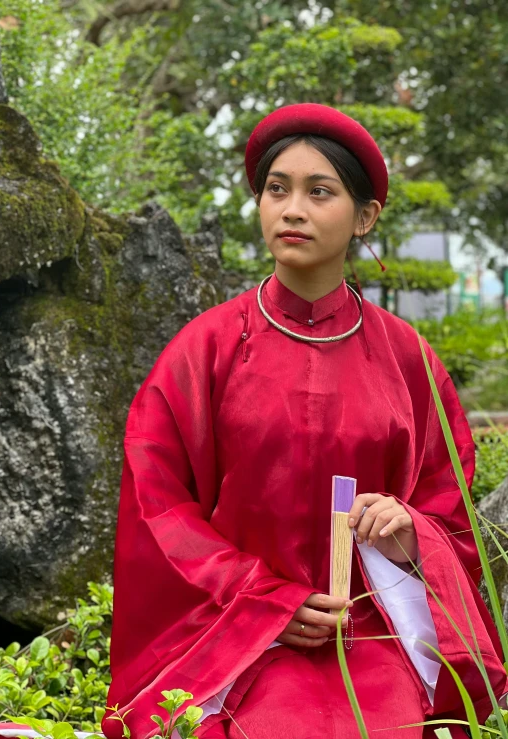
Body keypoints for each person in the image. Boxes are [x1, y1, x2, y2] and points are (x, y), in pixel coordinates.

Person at [102, 104, 507, 739]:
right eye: (276, 189)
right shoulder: (203, 350)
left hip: (377, 638)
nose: (292, 209)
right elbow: (157, 508)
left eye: (320, 192)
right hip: (238, 643)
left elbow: (445, 510)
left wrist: (408, 531)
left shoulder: (408, 361)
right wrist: (262, 600)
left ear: (365, 216)